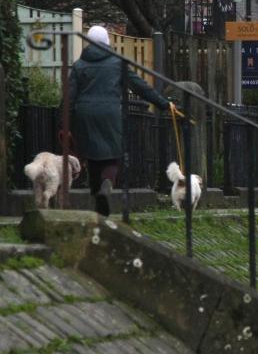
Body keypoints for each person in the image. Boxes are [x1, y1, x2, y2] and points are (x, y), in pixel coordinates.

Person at [69, 25, 178, 216]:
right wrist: (164, 104)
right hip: (110, 113)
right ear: (107, 42)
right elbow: (140, 86)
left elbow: (69, 96)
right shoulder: (117, 63)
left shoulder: (79, 65)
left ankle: (97, 199)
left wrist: (64, 122)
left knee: (92, 157)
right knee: (112, 157)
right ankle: (106, 187)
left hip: (85, 114)